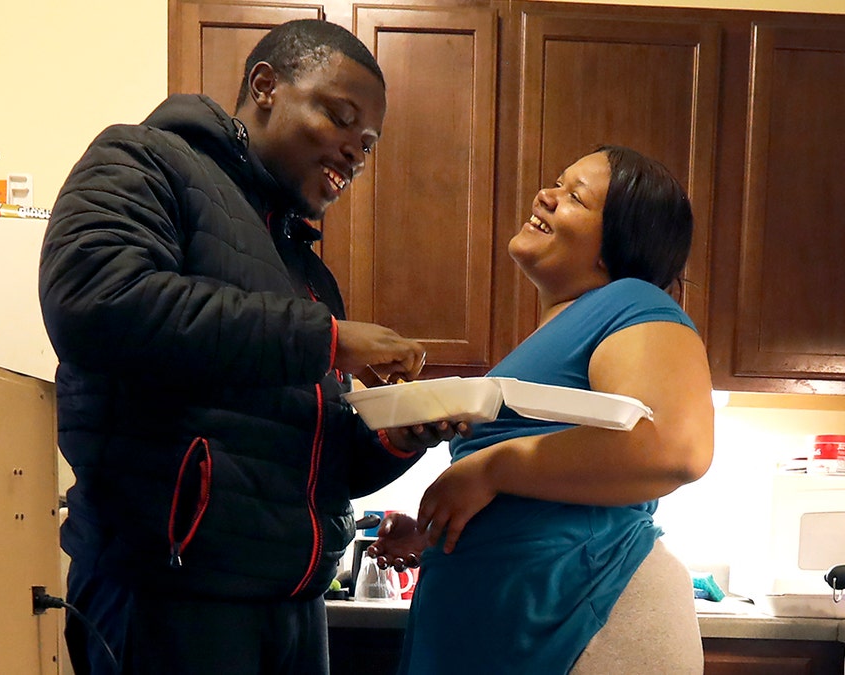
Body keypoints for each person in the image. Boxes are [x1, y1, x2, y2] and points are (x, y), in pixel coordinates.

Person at [39, 19, 464, 675]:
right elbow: (98, 301)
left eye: (368, 143)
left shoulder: (304, 269)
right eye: (339, 116)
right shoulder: (144, 160)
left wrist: (397, 439)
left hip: (290, 606)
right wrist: (325, 338)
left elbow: (304, 460)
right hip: (168, 596)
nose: (354, 150)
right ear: (265, 86)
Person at [369, 146, 716, 674]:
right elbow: (557, 475)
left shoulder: (634, 302)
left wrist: (491, 469)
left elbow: (674, 450)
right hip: (528, 621)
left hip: (589, 617)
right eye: (557, 182)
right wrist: (438, 528)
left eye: (575, 196)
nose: (546, 196)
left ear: (615, 243)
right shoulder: (562, 330)